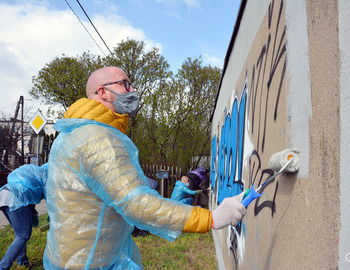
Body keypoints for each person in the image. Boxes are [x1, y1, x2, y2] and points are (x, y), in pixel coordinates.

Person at [13, 66, 247, 269]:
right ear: (103, 92)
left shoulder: (71, 135)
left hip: (67, 258)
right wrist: (211, 218)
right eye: (125, 84)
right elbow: (136, 204)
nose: (132, 90)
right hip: (94, 263)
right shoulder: (99, 139)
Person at [0, 164, 47, 269]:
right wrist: (52, 217)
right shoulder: (47, 177)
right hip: (15, 199)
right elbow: (51, 199)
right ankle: (3, 266)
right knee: (23, 235)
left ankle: (22, 261)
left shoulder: (35, 172)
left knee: (20, 234)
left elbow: (29, 193)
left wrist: (33, 212)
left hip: (4, 194)